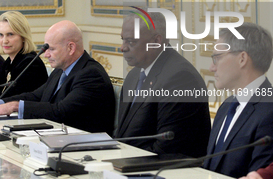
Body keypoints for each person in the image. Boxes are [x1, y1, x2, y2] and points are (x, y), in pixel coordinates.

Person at [0, 20, 115, 135]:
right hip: (58, 137)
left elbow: (61, 111)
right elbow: (36, 96)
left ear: (71, 48)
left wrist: (14, 106)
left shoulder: (91, 74)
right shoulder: (60, 70)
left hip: (86, 148)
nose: (46, 54)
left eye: (52, 49)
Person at [115, 12, 211, 157]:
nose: (123, 48)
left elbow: (167, 149)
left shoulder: (181, 79)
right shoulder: (134, 75)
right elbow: (122, 136)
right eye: (123, 40)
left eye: (131, 41)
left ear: (156, 41)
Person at [203, 23, 273, 178]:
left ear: (242, 59)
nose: (211, 68)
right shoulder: (227, 105)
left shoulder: (269, 111)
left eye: (217, 58)